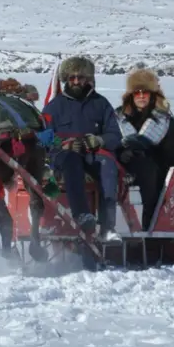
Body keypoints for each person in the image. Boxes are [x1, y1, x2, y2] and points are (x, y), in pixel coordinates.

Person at [42, 56, 122, 241]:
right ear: (66, 79)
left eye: (80, 77)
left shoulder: (101, 104)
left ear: (88, 78)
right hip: (65, 157)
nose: (76, 81)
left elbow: (114, 136)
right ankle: (81, 214)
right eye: (72, 77)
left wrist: (99, 140)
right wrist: (63, 145)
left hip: (94, 155)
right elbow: (43, 139)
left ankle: (108, 227)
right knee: (71, 161)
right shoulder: (53, 107)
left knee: (108, 167)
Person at [115, 67, 174, 230]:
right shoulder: (119, 118)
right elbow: (112, 141)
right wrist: (122, 153)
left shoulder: (163, 119)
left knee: (147, 169)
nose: (141, 96)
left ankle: (146, 223)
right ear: (130, 95)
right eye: (137, 92)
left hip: (154, 168)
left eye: (145, 92)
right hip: (124, 165)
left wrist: (147, 151)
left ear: (153, 94)